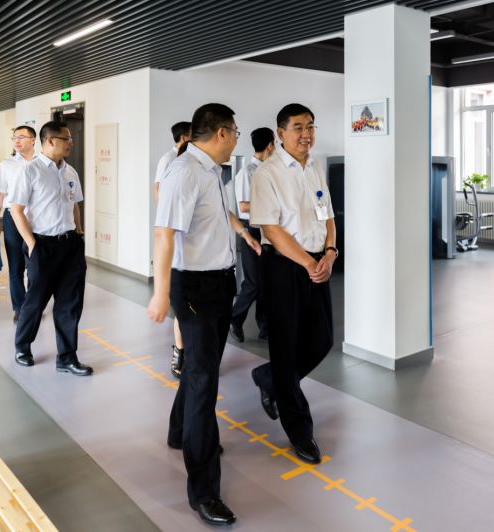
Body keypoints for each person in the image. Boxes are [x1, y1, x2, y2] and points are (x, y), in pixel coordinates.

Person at [147, 103, 260, 526]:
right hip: (195, 287)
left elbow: (217, 214)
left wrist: (243, 232)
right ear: (221, 133)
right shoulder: (184, 172)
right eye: (235, 132)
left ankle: (180, 432)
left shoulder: (210, 170)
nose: (236, 140)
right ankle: (204, 492)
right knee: (203, 382)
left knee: (201, 367)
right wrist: (161, 295)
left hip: (218, 282)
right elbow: (164, 234)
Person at [248, 103, 337, 465]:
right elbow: (271, 230)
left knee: (322, 339)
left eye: (311, 127)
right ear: (280, 133)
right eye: (298, 127)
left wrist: (330, 252)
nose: (306, 134)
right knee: (286, 349)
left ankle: (270, 379)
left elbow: (328, 216)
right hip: (284, 266)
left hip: (317, 262)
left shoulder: (314, 167)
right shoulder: (267, 173)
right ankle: (300, 431)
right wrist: (309, 262)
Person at [8, 121, 93, 377]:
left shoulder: (70, 172)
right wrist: (32, 244)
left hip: (70, 246)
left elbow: (74, 204)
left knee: (70, 304)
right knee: (35, 302)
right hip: (42, 244)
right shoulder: (30, 171)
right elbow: (16, 210)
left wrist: (79, 233)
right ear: (51, 141)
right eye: (67, 139)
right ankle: (22, 347)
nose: (71, 143)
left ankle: (67, 358)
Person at [153, 121, 192, 379]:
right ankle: (179, 350)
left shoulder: (198, 162)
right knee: (182, 307)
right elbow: (158, 189)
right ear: (185, 137)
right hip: (176, 235)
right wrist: (168, 218)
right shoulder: (169, 159)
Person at [229, 127, 275, 342]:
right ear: (270, 145)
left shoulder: (268, 171)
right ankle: (235, 319)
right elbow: (244, 206)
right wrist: (273, 203)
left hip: (268, 228)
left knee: (267, 281)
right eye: (275, 144)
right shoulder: (246, 173)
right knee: (253, 282)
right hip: (251, 229)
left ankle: (265, 327)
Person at [0, 125, 37, 322]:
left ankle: (33, 305)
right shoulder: (6, 165)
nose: (17, 140)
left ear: (33, 140)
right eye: (14, 137)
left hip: (37, 218)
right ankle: (20, 307)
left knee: (35, 265)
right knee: (16, 265)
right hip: (12, 217)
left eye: (21, 137)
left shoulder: (42, 163)